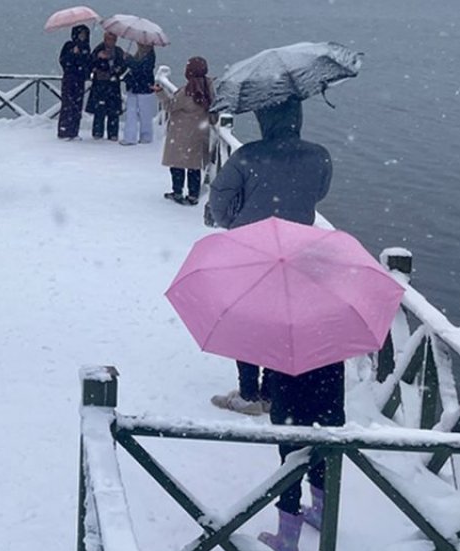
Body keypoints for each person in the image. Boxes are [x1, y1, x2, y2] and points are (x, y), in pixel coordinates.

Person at [205, 97, 333, 414]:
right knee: (280, 319)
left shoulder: (248, 155)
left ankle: (249, 395)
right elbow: (319, 193)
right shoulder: (319, 156)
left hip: (252, 247)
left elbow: (220, 195)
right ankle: (271, 390)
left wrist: (231, 222)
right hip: (296, 248)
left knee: (249, 317)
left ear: (265, 120)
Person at [258, 362, 345, 551]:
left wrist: (266, 388)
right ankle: (322, 514)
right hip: (328, 404)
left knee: (291, 467)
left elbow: (272, 361)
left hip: (292, 407)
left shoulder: (283, 332)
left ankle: (287, 541)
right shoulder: (334, 333)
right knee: (322, 459)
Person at [154, 57, 214, 205]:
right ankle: (193, 195)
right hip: (199, 133)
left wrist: (160, 92)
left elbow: (170, 106)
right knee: (194, 166)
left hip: (181, 133)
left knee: (177, 165)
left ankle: (177, 192)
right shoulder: (208, 87)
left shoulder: (188, 91)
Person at [85, 31, 126, 142]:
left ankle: (113, 134)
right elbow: (90, 64)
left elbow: (123, 66)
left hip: (113, 84)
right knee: (100, 110)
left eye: (113, 39)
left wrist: (118, 69)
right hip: (100, 84)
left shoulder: (118, 51)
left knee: (113, 111)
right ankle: (97, 133)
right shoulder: (98, 49)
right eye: (109, 39)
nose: (111, 41)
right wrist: (99, 59)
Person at [57, 25, 91, 140]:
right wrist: (72, 53)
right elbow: (63, 61)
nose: (82, 36)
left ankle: (74, 131)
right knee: (67, 105)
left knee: (77, 106)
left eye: (84, 34)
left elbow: (87, 64)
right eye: (80, 34)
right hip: (69, 80)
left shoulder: (86, 47)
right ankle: (64, 131)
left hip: (80, 81)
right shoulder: (68, 45)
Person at [120, 43, 157, 145]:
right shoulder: (139, 56)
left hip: (144, 88)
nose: (141, 47)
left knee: (145, 115)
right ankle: (130, 137)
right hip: (135, 87)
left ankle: (146, 137)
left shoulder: (150, 58)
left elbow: (140, 68)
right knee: (131, 113)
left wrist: (129, 59)